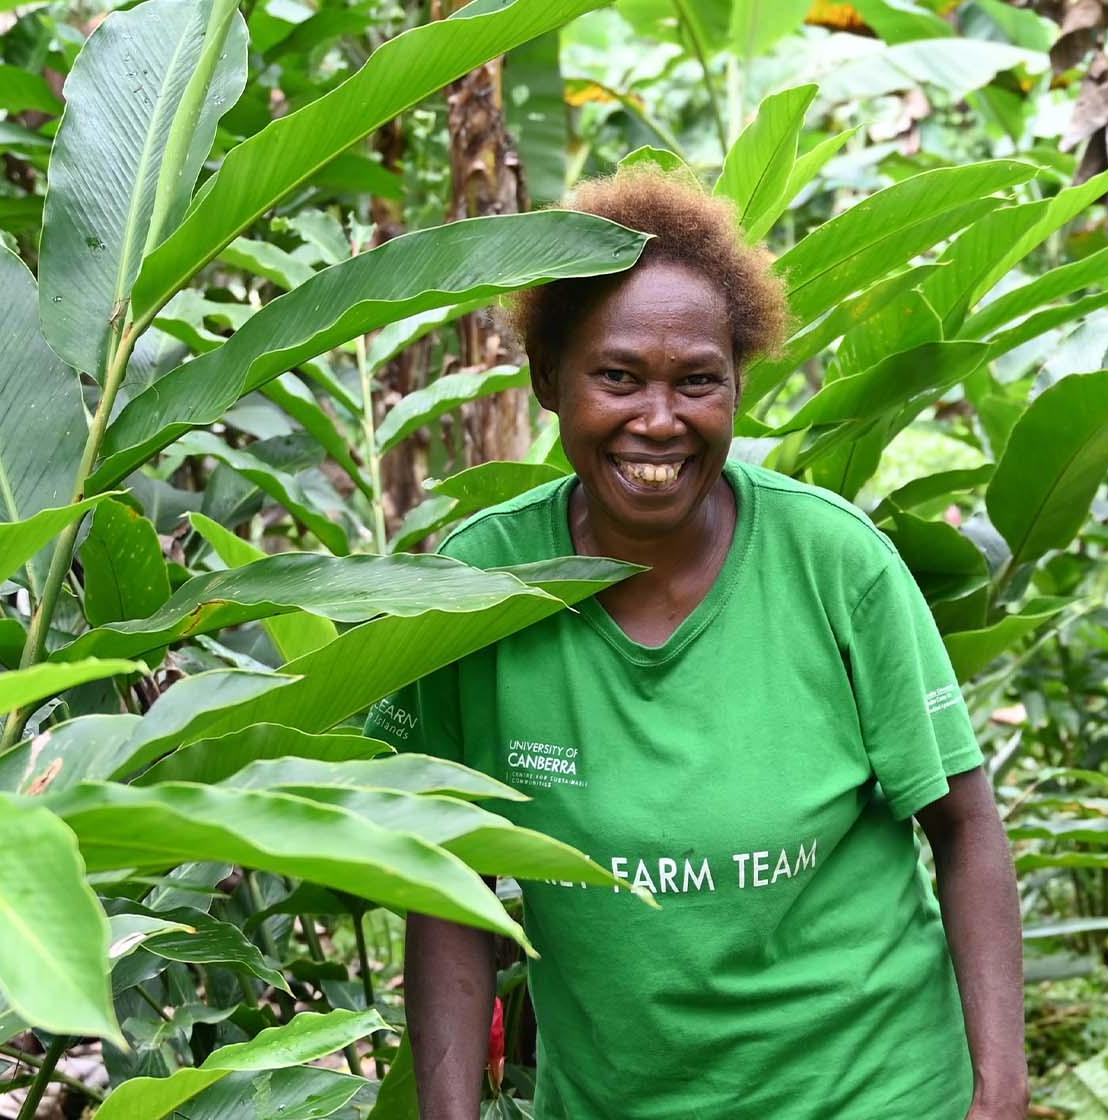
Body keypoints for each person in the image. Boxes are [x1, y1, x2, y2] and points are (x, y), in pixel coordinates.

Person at [367, 169, 1028, 1120]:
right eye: (618, 376)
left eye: (698, 382)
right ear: (550, 379)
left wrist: (999, 1095)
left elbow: (963, 826)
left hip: (870, 1091)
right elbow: (446, 884)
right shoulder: (482, 588)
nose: (659, 420)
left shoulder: (834, 562)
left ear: (736, 385)